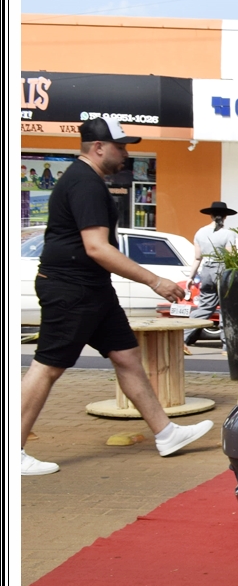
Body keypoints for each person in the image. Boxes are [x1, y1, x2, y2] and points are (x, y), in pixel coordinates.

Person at [20, 117, 214, 476]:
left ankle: (166, 433)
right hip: (72, 288)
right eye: (120, 146)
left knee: (127, 357)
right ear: (98, 147)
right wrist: (155, 281)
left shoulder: (87, 180)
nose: (126, 154)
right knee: (48, 365)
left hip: (92, 288)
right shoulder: (85, 183)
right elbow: (97, 247)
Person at [185, 201, 238, 345]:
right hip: (222, 269)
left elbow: (197, 258)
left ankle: (183, 337)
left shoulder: (200, 232)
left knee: (205, 307)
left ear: (210, 215)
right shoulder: (228, 234)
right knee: (225, 308)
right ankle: (226, 345)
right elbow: (230, 257)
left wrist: (190, 277)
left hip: (206, 270)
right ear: (225, 216)